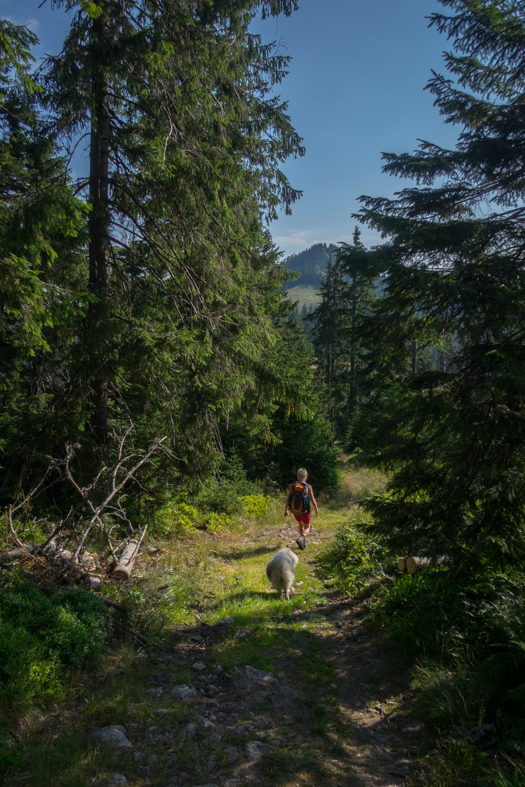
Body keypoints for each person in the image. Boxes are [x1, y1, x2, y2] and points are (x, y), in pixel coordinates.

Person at [284, 467, 319, 550]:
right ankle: (301, 538)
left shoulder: (293, 486)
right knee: (307, 527)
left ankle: (301, 544)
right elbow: (313, 500)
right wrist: (316, 508)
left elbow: (288, 499)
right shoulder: (308, 487)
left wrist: (286, 510)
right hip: (304, 511)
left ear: (297, 476)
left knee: (300, 524)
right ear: (306, 476)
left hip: (295, 510)